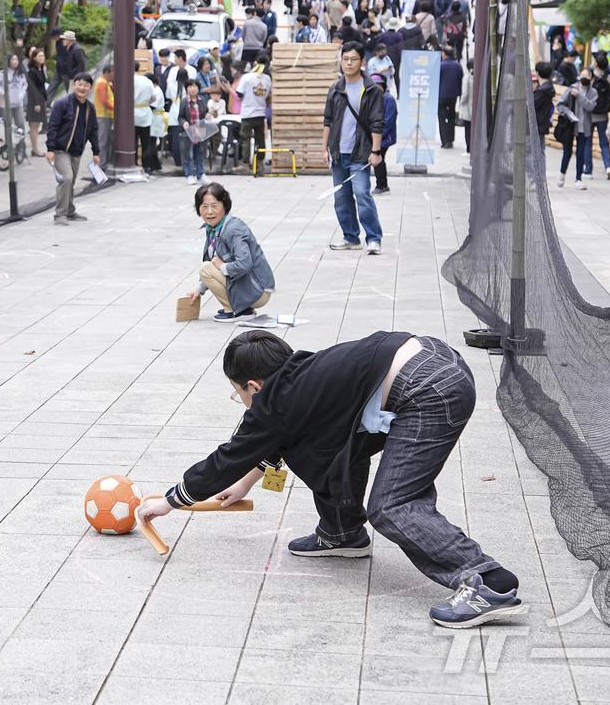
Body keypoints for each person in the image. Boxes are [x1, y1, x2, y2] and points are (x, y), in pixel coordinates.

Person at [137, 330, 526, 628]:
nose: (241, 400)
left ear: (253, 386)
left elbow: (229, 456)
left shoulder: (274, 401)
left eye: (236, 392)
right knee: (337, 447)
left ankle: (487, 580)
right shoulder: (301, 375)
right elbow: (284, 436)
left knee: (392, 507)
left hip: (426, 392)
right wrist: (248, 480)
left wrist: (171, 501)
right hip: (437, 361)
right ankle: (342, 534)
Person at [181, 183, 275, 322]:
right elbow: (210, 258)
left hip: (258, 290)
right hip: (250, 285)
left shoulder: (233, 229)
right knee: (207, 266)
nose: (209, 212)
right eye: (204, 207)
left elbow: (244, 263)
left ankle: (239, 311)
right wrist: (198, 289)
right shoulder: (214, 228)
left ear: (225, 206)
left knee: (206, 268)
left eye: (215, 206)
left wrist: (222, 266)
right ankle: (237, 307)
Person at [324, 42, 385, 254]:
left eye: (353, 59)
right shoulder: (336, 88)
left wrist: (376, 151)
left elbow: (378, 121)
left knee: (362, 194)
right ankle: (350, 237)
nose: (349, 63)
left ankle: (373, 238)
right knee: (341, 198)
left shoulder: (371, 89)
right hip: (339, 154)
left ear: (362, 62)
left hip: (361, 152)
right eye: (345, 59)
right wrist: (325, 149)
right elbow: (328, 120)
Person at [44, 72, 101, 225]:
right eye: (79, 84)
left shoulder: (90, 108)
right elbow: (52, 127)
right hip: (60, 150)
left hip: (77, 151)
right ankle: (60, 215)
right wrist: (50, 149)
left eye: (86, 85)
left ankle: (69, 211)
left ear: (90, 88)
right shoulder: (62, 104)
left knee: (71, 181)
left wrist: (96, 152)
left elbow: (93, 130)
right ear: (73, 85)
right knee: (66, 178)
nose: (82, 88)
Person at [555, 69, 598, 190]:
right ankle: (562, 175)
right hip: (570, 126)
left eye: (587, 76)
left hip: (584, 127)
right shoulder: (571, 89)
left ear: (591, 78)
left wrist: (578, 95)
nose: (584, 78)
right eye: (582, 75)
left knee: (580, 153)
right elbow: (560, 104)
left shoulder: (593, 92)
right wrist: (569, 113)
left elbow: (590, 106)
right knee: (567, 152)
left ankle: (578, 179)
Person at [236, 60, 271, 173]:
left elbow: (239, 93)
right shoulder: (267, 79)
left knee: (246, 138)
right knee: (260, 139)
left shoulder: (247, 77)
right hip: (260, 112)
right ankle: (260, 163)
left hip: (247, 113)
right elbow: (267, 95)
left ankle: (245, 163)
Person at [586, 54, 610, 180]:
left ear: (596, 64)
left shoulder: (589, 76)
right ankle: (608, 166)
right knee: (604, 143)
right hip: (603, 116)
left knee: (588, 143)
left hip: (589, 115)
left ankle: (588, 170)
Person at [178, 78, 212, 184]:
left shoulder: (202, 100)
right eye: (190, 86)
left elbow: (206, 113)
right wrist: (184, 123)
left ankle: (200, 174)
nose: (193, 89)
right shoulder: (184, 102)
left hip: (200, 130)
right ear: (187, 89)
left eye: (195, 86)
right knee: (188, 153)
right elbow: (180, 117)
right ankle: (189, 175)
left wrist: (207, 115)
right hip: (188, 132)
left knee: (201, 152)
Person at [371, 72, 397, 196]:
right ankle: (381, 185)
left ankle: (382, 185)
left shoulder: (389, 99)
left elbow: (389, 121)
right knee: (378, 160)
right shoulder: (374, 99)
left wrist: (377, 134)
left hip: (385, 137)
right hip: (376, 136)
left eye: (378, 85)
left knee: (379, 160)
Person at [134, 64, 162, 173]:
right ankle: (147, 166)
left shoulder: (128, 80)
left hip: (132, 113)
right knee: (146, 142)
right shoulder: (147, 81)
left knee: (133, 142)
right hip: (145, 112)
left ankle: (134, 163)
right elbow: (153, 97)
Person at [0, 53, 27, 147]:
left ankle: (21, 146)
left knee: (20, 124)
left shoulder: (20, 73)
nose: (15, 61)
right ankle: (9, 144)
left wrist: (21, 94)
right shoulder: (2, 74)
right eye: (13, 59)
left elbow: (25, 84)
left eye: (16, 59)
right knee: (8, 125)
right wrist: (3, 92)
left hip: (18, 103)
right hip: (6, 104)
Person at [25, 47, 49, 155]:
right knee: (34, 125)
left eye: (43, 56)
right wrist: (36, 103)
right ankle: (35, 149)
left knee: (37, 124)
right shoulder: (32, 72)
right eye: (39, 56)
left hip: (41, 99)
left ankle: (36, 148)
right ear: (34, 58)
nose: (42, 58)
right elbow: (31, 88)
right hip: (35, 101)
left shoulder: (41, 69)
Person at [437, 46, 463, 149]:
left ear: (444, 54)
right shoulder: (457, 65)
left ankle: (445, 141)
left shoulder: (441, 65)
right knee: (451, 116)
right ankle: (451, 139)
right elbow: (460, 79)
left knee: (442, 118)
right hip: (454, 94)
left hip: (442, 95)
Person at [92, 62, 115, 161]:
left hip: (107, 116)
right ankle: (101, 163)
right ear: (108, 72)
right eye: (113, 73)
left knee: (107, 141)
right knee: (103, 141)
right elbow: (104, 101)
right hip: (103, 115)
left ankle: (106, 161)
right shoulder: (102, 82)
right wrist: (115, 108)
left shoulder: (107, 82)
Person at [532, 61, 556, 140]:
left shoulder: (541, 91)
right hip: (543, 123)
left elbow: (532, 106)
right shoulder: (548, 87)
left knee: (538, 150)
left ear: (537, 73)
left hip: (538, 124)